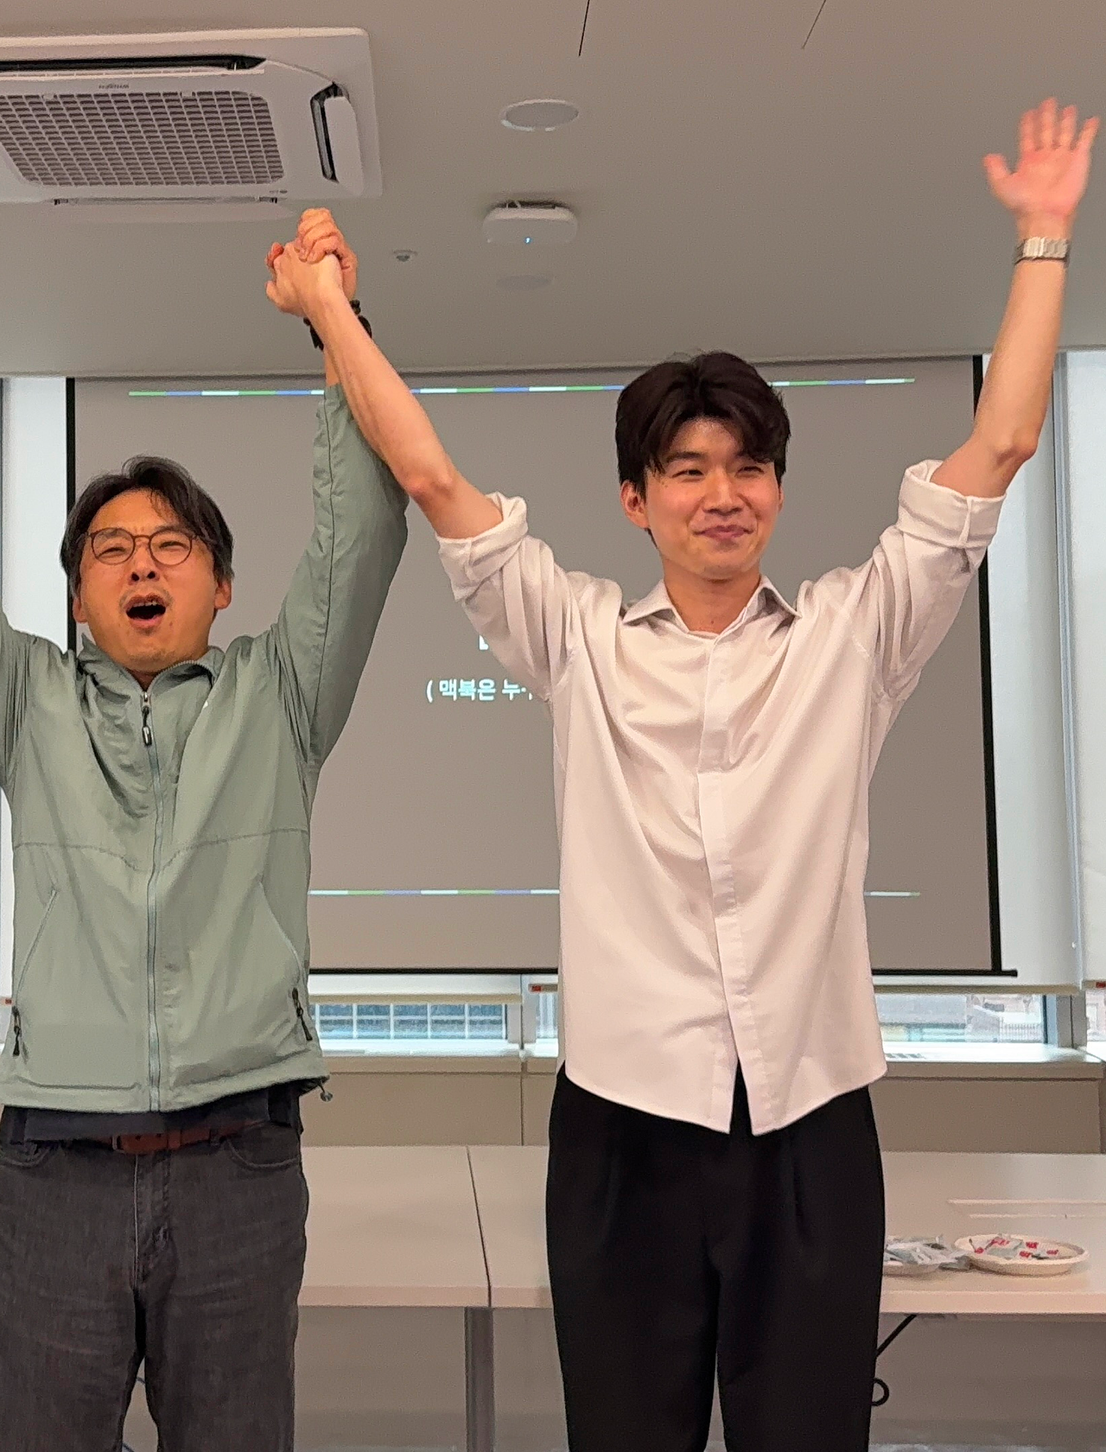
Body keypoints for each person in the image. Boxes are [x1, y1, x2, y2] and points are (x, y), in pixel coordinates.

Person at [296, 100, 1095, 1450]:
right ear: (636, 498)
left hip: (810, 1127)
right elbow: (428, 478)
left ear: (777, 487)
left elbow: (1000, 449)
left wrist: (1044, 239)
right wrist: (329, 311)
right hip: (622, 1129)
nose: (722, 493)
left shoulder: (852, 636)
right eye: (686, 470)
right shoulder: (581, 642)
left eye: (748, 467)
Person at [0, 219, 408, 1449]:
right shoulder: (24, 699)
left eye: (169, 546)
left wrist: (331, 319)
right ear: (77, 593)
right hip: (57, 1170)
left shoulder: (280, 694)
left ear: (220, 583)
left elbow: (361, 531)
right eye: (109, 550)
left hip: (237, 1165)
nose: (139, 565)